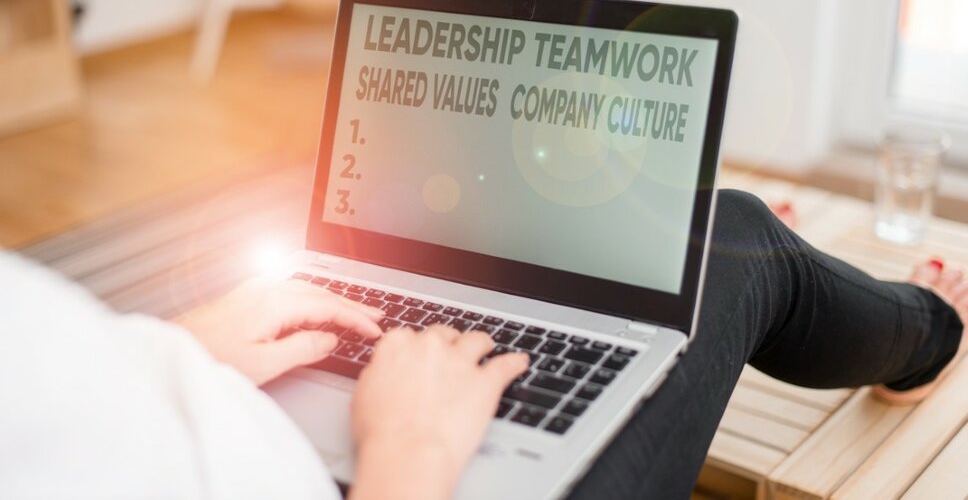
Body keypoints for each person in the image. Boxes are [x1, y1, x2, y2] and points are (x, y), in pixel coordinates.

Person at [0, 190, 964, 499]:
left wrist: (167, 352)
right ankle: (931, 333)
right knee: (734, 238)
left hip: (246, 415)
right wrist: (407, 454)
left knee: (472, 276)